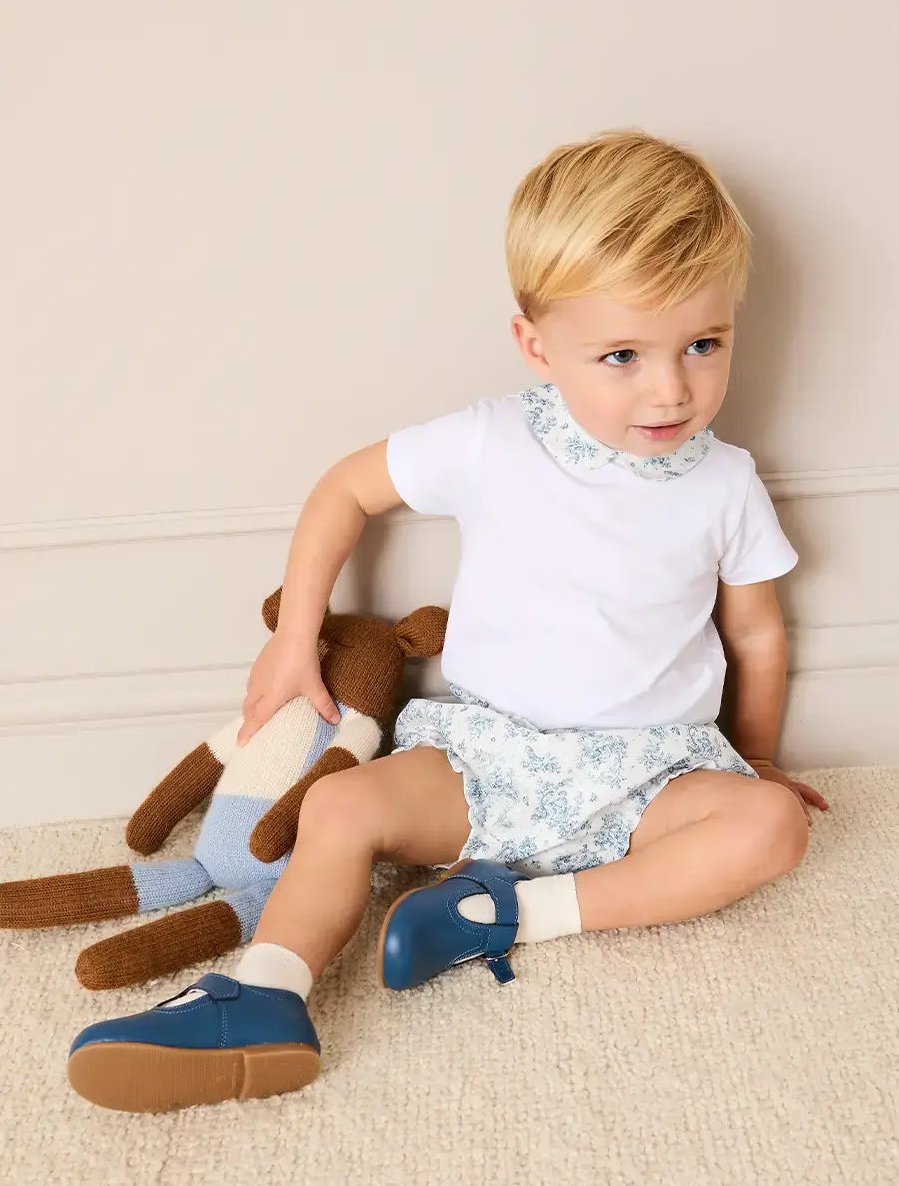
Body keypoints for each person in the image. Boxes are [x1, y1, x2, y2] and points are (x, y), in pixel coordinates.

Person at [67, 128, 829, 1113]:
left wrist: (757, 760)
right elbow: (345, 488)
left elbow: (757, 635)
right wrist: (295, 634)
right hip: (488, 759)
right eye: (622, 355)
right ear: (536, 344)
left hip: (655, 775)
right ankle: (264, 993)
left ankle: (505, 914)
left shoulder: (725, 485)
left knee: (771, 831)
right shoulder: (493, 441)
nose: (671, 387)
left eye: (703, 345)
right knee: (340, 807)